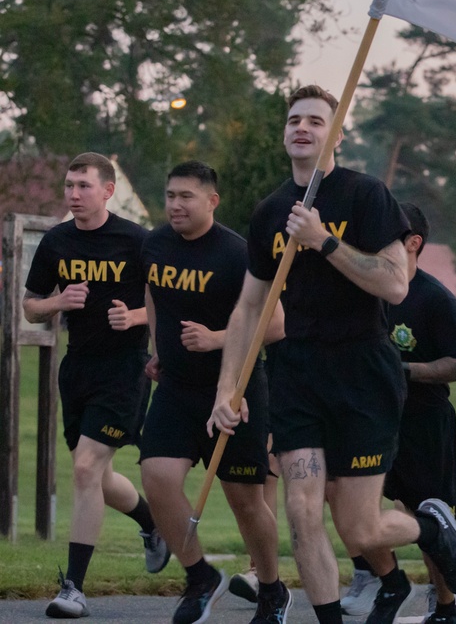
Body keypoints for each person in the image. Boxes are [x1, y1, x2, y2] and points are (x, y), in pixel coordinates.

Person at [209, 85, 456, 624]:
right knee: (302, 511)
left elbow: (397, 285)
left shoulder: (367, 196)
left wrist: (324, 241)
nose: (302, 128)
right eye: (293, 120)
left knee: (360, 528)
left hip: (362, 370)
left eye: (314, 120)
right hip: (296, 372)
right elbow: (248, 309)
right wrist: (225, 388)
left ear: (336, 133)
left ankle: (430, 527)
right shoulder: (269, 213)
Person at [139, 161, 288, 624]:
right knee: (157, 477)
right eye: (170, 196)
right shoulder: (155, 244)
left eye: (186, 196)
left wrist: (216, 339)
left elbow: (277, 325)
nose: (176, 205)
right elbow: (154, 295)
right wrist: (157, 347)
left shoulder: (237, 253)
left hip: (237, 391)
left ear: (211, 200)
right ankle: (200, 577)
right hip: (177, 388)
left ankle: (271, 589)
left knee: (245, 500)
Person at [23, 152, 164, 619]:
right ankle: (152, 524)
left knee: (85, 468)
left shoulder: (136, 240)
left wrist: (137, 316)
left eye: (83, 186)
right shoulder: (57, 242)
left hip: (124, 369)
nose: (74, 194)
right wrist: (59, 300)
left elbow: (165, 303)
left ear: (108, 190)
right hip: (77, 369)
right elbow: (29, 306)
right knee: (97, 477)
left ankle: (74, 588)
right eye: (69, 185)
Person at [343, 202, 456, 624]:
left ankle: (445, 605)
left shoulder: (434, 299)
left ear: (413, 243)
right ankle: (388, 581)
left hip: (423, 422)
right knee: (347, 503)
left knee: (428, 511)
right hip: (369, 418)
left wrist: (403, 371)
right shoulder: (364, 291)